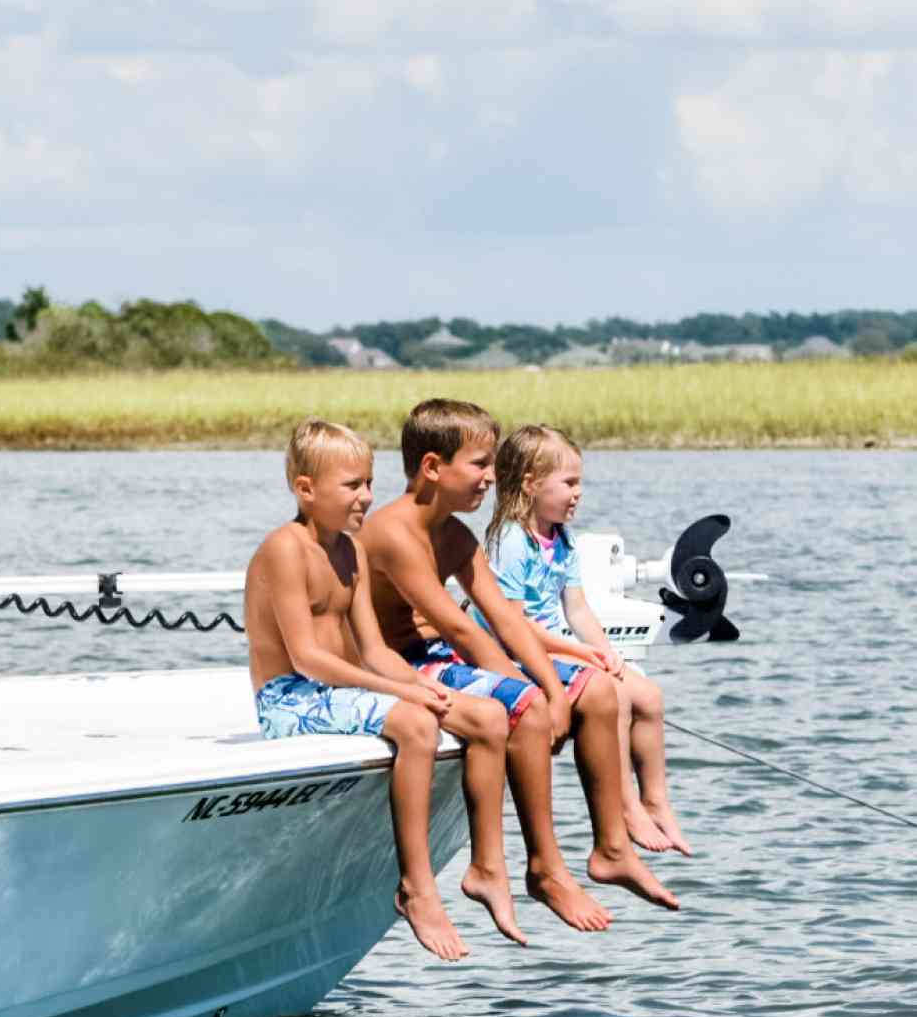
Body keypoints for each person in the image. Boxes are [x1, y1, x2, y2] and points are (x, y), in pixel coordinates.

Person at [361, 398, 678, 931]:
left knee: (598, 692)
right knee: (526, 707)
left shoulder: (457, 536)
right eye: (480, 465)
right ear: (433, 468)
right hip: (399, 664)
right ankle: (544, 868)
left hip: (441, 655)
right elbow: (461, 628)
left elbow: (505, 624)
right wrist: (534, 694)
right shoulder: (395, 531)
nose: (491, 477)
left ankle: (612, 847)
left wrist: (556, 691)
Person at [245, 417, 530, 961]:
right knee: (416, 722)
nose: (367, 497)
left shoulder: (350, 550)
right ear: (306, 489)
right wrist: (408, 697)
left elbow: (375, 651)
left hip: (337, 689)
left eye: (370, 483)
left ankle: (488, 866)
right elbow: (308, 660)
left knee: (488, 717)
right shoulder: (285, 549)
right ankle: (417, 888)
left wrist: (420, 684)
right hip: (289, 697)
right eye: (352, 485)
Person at [483, 424, 692, 855]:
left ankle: (656, 800)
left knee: (648, 696)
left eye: (580, 483)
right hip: (518, 652)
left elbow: (577, 609)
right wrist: (582, 654)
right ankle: (626, 807)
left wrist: (607, 653)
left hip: (560, 645)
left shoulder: (563, 539)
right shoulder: (511, 542)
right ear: (531, 484)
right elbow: (513, 624)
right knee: (611, 698)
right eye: (569, 483)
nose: (578, 493)